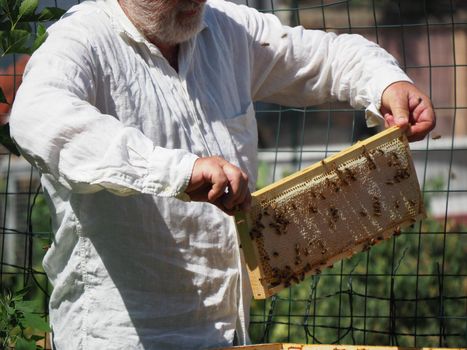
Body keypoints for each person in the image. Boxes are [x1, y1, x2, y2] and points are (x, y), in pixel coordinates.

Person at [9, 0, 436, 348]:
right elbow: (39, 117)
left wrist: (385, 84)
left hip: (227, 332)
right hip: (122, 336)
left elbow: (325, 56)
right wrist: (177, 170)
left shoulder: (224, 27)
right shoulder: (81, 41)